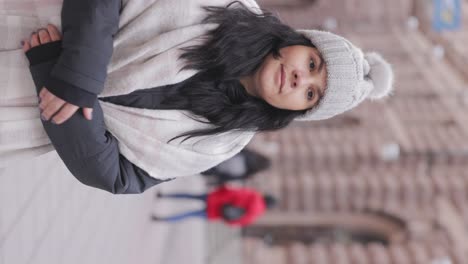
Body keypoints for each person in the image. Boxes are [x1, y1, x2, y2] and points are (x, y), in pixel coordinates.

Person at [15, 0, 394, 194]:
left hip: (23, 116)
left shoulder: (221, 143)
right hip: (30, 27)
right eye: (311, 63)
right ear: (299, 41)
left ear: (299, 111)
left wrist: (54, 74)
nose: (299, 78)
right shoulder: (223, 8)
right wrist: (79, 74)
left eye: (311, 93)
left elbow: (118, 175)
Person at [151, 186, 277, 226]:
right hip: (216, 213)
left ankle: (164, 196)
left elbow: (235, 193)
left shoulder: (254, 196)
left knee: (189, 196)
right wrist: (224, 215)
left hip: (216, 199)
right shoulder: (254, 216)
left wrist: (222, 189)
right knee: (189, 214)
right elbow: (233, 223)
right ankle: (163, 219)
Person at [201, 148, 271, 186]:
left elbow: (233, 149)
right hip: (213, 170)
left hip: (214, 156)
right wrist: (215, 182)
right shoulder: (248, 173)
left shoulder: (250, 154)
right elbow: (228, 178)